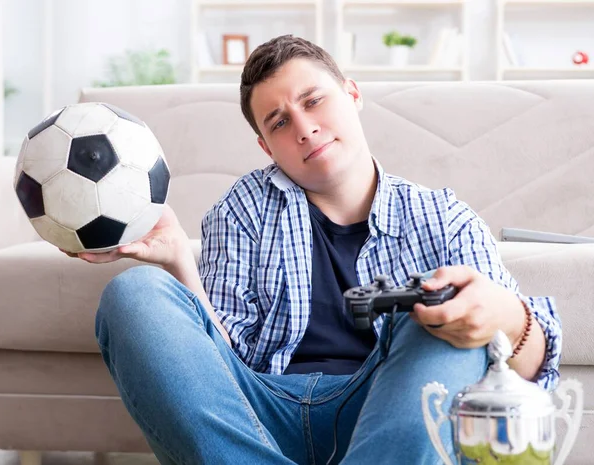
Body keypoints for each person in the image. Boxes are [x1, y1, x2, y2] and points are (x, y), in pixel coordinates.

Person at [65, 35, 561, 464]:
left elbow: (531, 374)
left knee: (439, 319)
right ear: (266, 146)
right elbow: (219, 365)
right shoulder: (241, 210)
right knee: (134, 292)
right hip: (259, 412)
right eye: (278, 122)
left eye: (314, 100)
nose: (304, 127)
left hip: (387, 412)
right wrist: (178, 260)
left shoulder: (443, 217)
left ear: (352, 94)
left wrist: (508, 317)